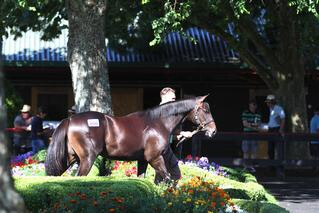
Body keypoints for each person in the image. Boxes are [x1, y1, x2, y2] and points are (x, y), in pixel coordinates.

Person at [138, 87, 194, 181]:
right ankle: (166, 193)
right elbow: (156, 137)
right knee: (173, 174)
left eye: (175, 99)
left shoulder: (169, 113)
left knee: (169, 175)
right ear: (164, 97)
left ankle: (165, 193)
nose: (174, 101)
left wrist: (182, 133)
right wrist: (176, 136)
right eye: (172, 99)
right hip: (157, 150)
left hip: (163, 148)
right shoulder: (157, 114)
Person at [241, 100, 261, 172]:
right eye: (251, 105)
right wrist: (253, 126)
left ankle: (252, 167)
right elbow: (245, 124)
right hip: (246, 134)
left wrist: (250, 125)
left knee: (254, 151)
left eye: (254, 105)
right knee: (246, 151)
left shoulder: (258, 114)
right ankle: (246, 166)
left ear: (256, 106)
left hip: (255, 135)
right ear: (249, 105)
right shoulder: (245, 113)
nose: (252, 107)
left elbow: (258, 124)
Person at [265, 94, 285, 160]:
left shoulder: (279, 108)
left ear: (271, 102)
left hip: (276, 129)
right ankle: (271, 166)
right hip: (270, 130)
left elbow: (283, 119)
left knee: (278, 148)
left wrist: (281, 130)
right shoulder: (270, 109)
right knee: (270, 148)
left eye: (268, 102)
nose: (267, 103)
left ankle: (279, 166)